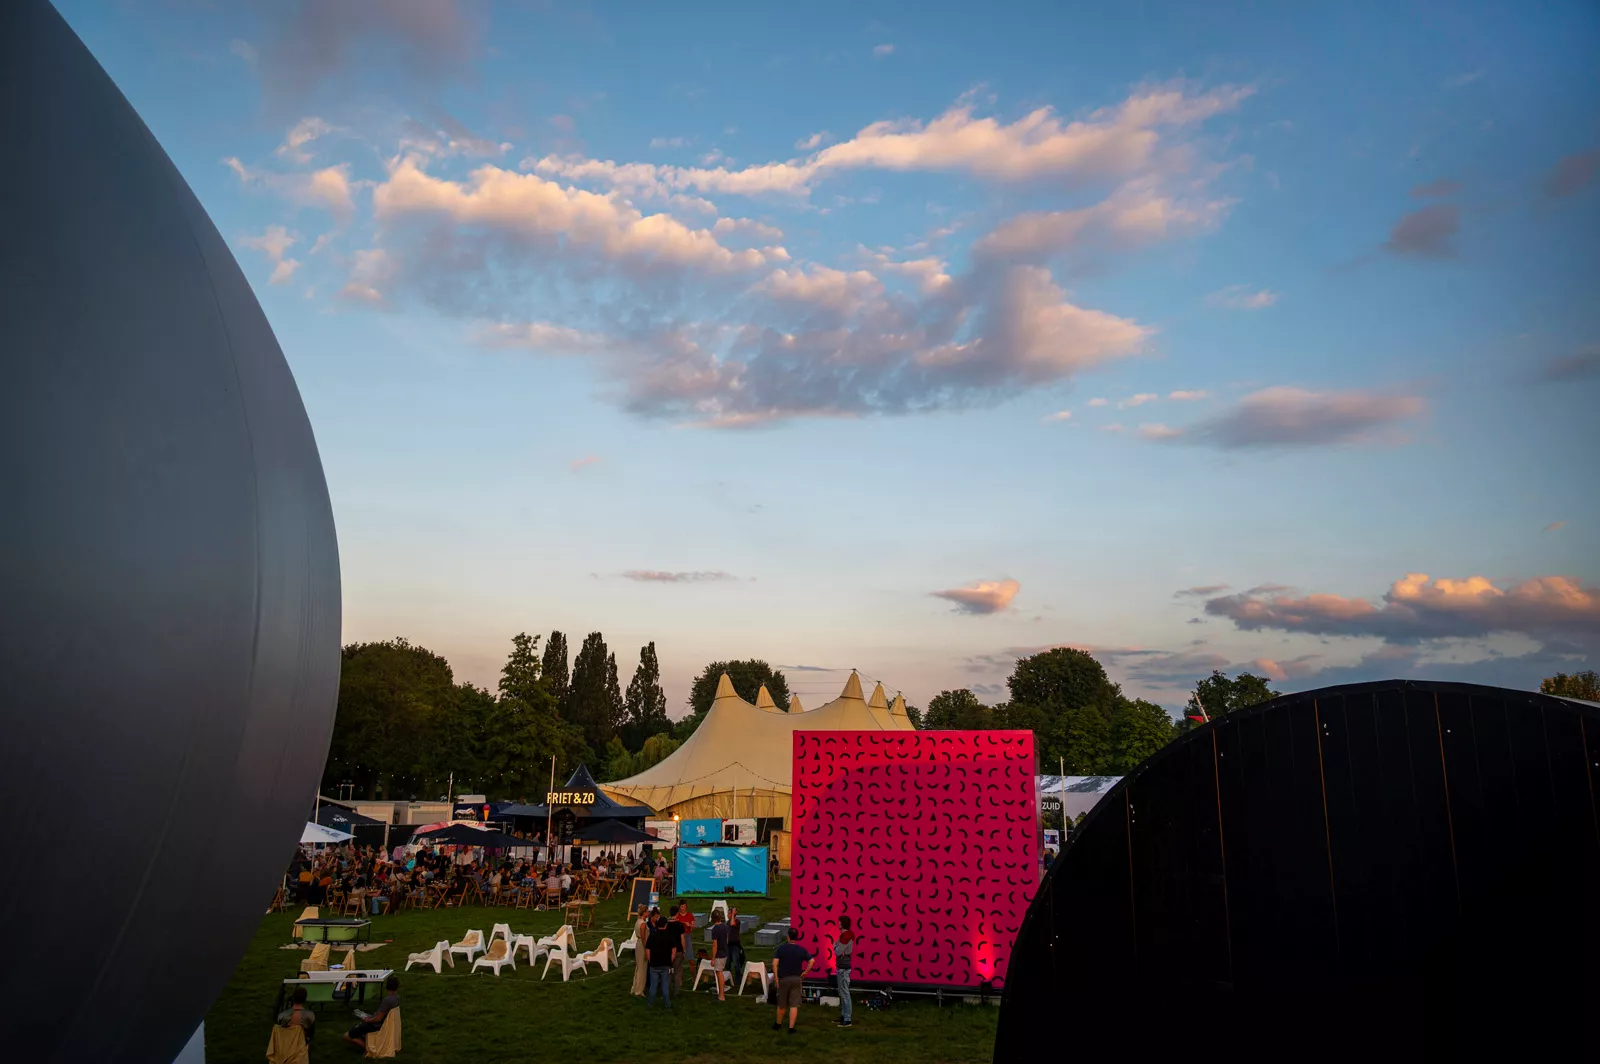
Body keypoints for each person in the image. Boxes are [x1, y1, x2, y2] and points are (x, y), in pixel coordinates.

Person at [772, 928, 817, 1035]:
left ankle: (778, 1024)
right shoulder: (801, 950)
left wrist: (776, 978)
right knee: (794, 1004)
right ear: (796, 937)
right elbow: (812, 961)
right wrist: (805, 972)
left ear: (788, 936)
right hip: (796, 979)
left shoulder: (781, 949)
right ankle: (791, 1028)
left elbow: (774, 964)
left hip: (783, 979)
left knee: (782, 1004)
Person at [343, 974, 399, 1051]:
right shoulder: (397, 998)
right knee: (360, 1028)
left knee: (347, 1035)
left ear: (387, 986)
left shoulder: (387, 1000)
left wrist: (367, 1020)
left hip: (375, 1026)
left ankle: (369, 1049)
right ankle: (369, 1040)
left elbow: (378, 1019)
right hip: (382, 1024)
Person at [644, 914, 678, 1010]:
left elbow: (647, 949)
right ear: (665, 925)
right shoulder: (669, 936)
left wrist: (650, 959)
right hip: (665, 964)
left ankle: (650, 1003)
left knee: (653, 985)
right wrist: (670, 960)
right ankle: (667, 1004)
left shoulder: (652, 935)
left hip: (654, 964)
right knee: (665, 985)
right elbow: (674, 950)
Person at [834, 915, 856, 1028]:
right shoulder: (844, 936)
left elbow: (837, 951)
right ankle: (843, 1015)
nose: (838, 924)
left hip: (843, 969)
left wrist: (837, 948)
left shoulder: (846, 936)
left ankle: (847, 1019)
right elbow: (836, 946)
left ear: (842, 923)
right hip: (841, 968)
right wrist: (837, 947)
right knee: (842, 993)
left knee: (845, 993)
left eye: (839, 922)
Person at [708, 910, 731, 1001]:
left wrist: (713, 958)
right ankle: (720, 994)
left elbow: (715, 945)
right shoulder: (725, 926)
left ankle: (721, 995)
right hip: (725, 952)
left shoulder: (715, 929)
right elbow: (727, 938)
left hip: (719, 955)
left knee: (719, 973)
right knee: (719, 972)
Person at [630, 905, 651, 998]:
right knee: (642, 968)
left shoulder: (638, 921)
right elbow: (643, 938)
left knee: (638, 967)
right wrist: (647, 950)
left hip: (638, 944)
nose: (648, 913)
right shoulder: (643, 924)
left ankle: (635, 987)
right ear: (644, 912)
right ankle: (639, 990)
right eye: (647, 911)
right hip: (642, 945)